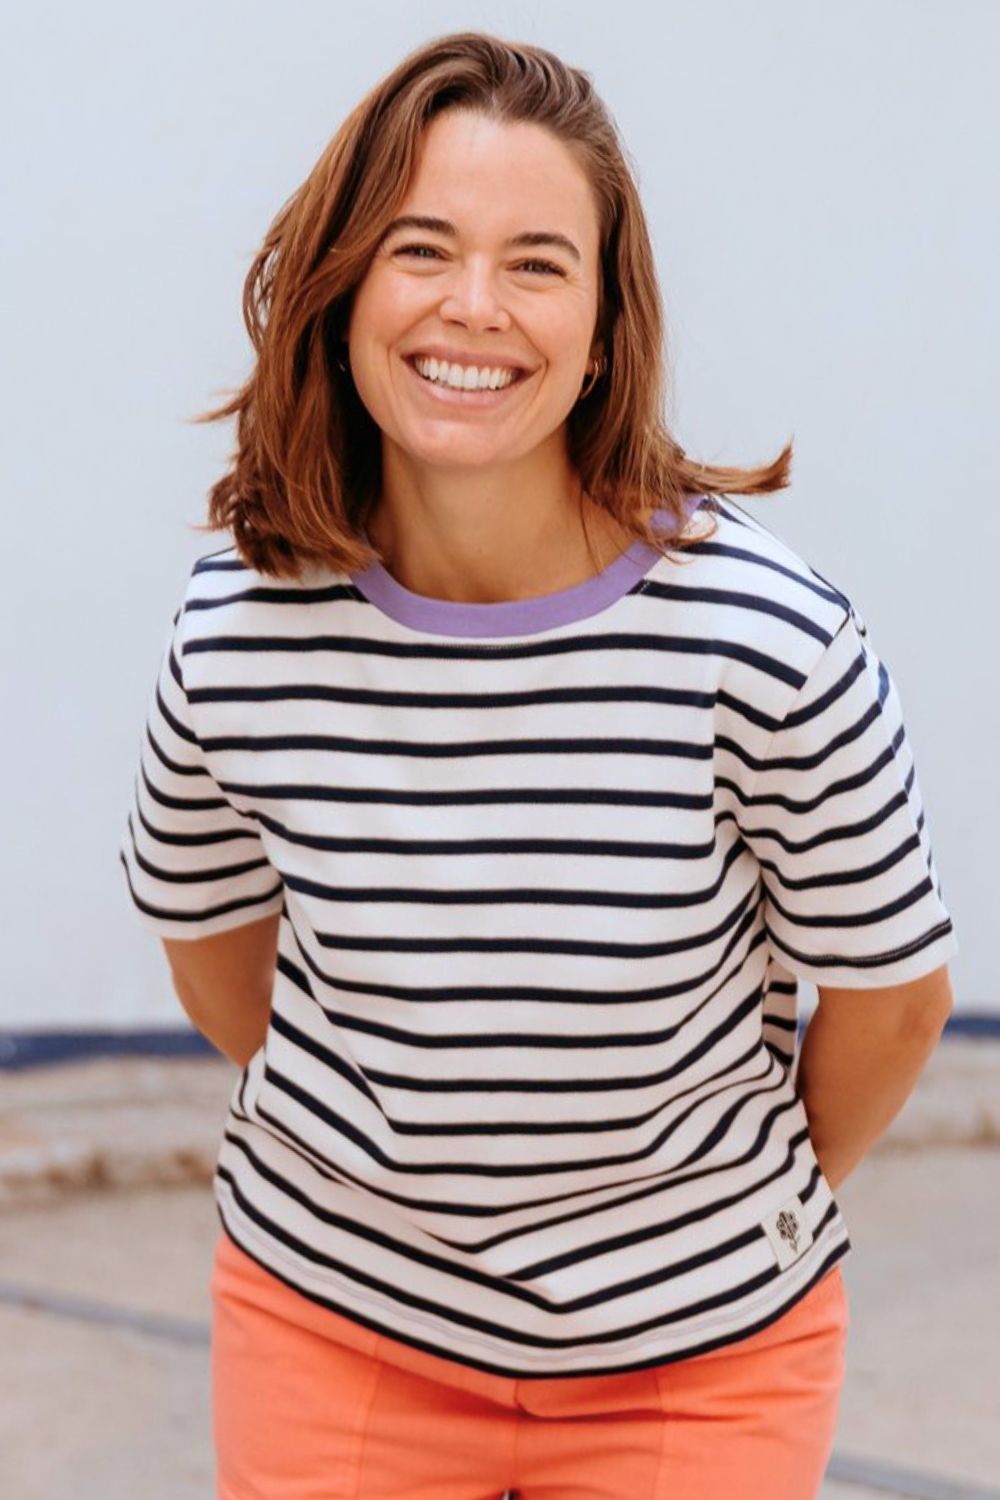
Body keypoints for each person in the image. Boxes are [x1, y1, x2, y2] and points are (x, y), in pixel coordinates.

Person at [118, 30, 959, 1500]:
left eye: (537, 263)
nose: (472, 308)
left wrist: (703, 1221)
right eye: (421, 248)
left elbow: (892, 1007)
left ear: (604, 327)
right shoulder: (239, 631)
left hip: (704, 1363)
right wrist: (397, 1154)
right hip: (336, 1333)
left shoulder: (766, 642)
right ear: (342, 290)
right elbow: (214, 961)